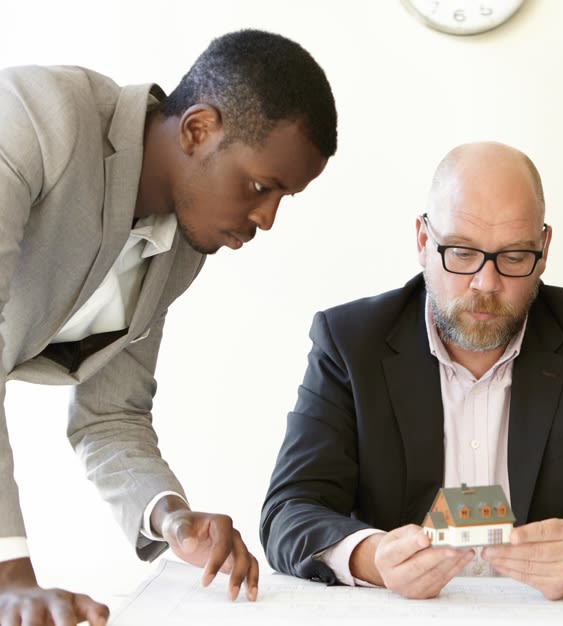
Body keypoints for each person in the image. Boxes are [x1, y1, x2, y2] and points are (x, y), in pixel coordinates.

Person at [0, 29, 337, 625]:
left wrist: (171, 517)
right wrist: (9, 576)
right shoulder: (32, 119)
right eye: (261, 187)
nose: (266, 218)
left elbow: (110, 414)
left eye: (285, 197)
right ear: (197, 129)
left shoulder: (181, 247)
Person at [260, 141, 563, 601]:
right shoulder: (350, 342)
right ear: (424, 241)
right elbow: (290, 510)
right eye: (462, 253)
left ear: (543, 250)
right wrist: (376, 558)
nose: (486, 284)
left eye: (512, 257)